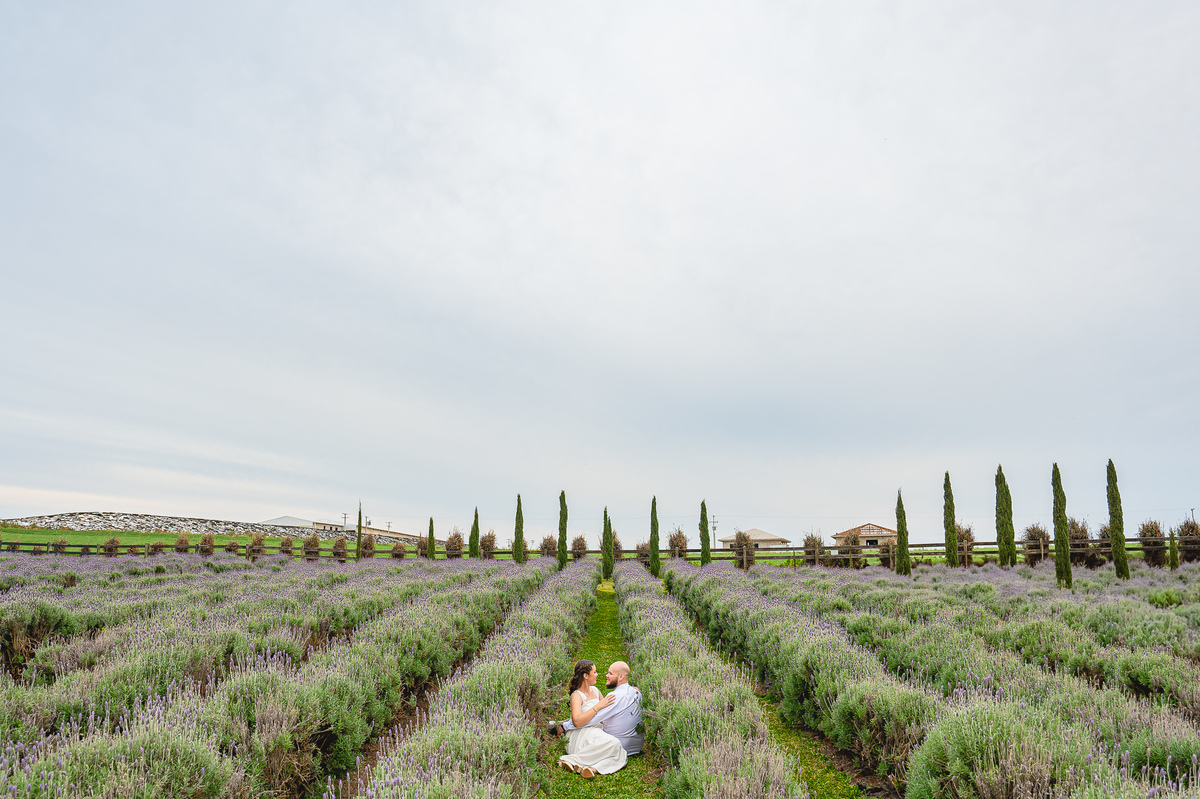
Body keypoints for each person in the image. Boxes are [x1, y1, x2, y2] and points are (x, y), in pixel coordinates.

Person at [551, 660, 644, 775]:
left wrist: (629, 689)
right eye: (595, 672)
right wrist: (565, 726)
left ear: (620, 677)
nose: (603, 675)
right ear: (586, 676)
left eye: (610, 673)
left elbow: (604, 712)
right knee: (615, 747)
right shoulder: (577, 695)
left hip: (596, 729)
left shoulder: (596, 690)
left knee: (619, 751)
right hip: (582, 731)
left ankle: (591, 769)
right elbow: (580, 720)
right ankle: (571, 760)